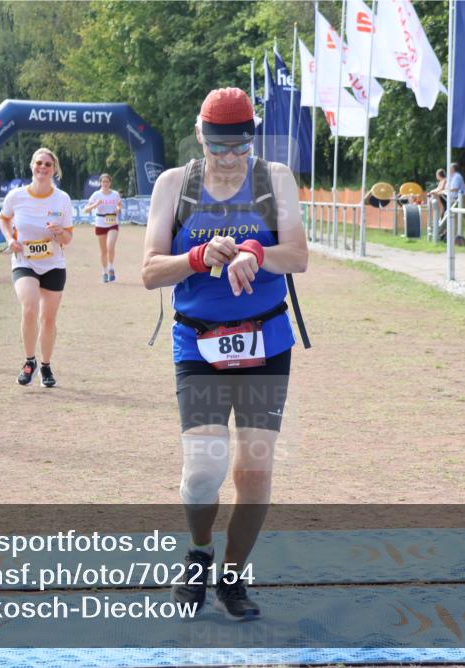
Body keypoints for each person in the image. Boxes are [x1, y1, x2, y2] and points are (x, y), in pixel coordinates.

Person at [142, 87, 308, 620]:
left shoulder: (274, 178)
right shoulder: (174, 185)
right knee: (202, 471)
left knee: (255, 472)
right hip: (198, 342)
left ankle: (231, 578)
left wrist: (256, 251)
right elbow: (148, 272)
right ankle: (199, 552)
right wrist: (195, 256)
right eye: (220, 148)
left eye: (240, 147)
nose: (231, 159)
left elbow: (298, 256)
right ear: (200, 136)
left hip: (265, 342)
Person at [0, 147, 74, 387]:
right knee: (29, 308)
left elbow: (67, 239)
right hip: (25, 262)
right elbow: (3, 218)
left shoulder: (62, 199)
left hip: (53, 264)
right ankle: (29, 361)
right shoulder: (16, 196)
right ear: (32, 166)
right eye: (39, 163)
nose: (42, 167)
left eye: (47, 164)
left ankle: (46, 367)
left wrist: (60, 232)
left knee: (48, 319)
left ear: (54, 169)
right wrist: (10, 239)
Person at [82, 173, 123, 282]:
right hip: (100, 223)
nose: (105, 183)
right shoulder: (96, 194)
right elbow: (86, 209)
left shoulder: (115, 194)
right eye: (103, 181)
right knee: (103, 251)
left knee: (110, 246)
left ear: (110, 183)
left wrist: (118, 209)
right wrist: (95, 205)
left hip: (113, 222)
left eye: (107, 181)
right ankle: (104, 272)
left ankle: (111, 268)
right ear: (100, 183)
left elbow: (119, 204)